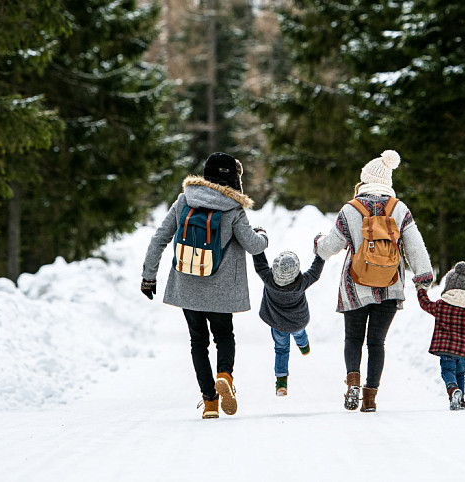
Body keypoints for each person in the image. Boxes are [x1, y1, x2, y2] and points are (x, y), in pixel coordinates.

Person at [140, 152, 268, 419]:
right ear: (233, 177)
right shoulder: (233, 208)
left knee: (198, 341)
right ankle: (225, 376)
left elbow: (159, 238)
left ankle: (209, 402)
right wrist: (263, 235)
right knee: (224, 337)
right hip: (222, 290)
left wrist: (149, 276)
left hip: (188, 284)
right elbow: (253, 245)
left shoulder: (185, 200)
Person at [314, 149, 434, 412]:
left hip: (355, 286)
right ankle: (370, 399)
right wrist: (423, 279)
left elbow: (330, 247)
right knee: (376, 343)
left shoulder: (350, 209)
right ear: (388, 182)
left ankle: (353, 383)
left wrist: (317, 246)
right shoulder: (399, 209)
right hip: (391, 285)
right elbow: (415, 247)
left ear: (365, 180)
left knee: (353, 339)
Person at [416, 261, 465, 410]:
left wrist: (421, 290)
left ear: (448, 285)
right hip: (464, 351)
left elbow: (425, 304)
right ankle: (460, 401)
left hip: (446, 349)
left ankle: (452, 390)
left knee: (447, 372)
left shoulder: (441, 305)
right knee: (460, 374)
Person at [251, 250, 325, 396]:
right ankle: (304, 346)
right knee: (300, 334)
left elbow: (260, 264)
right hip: (298, 322)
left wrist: (258, 242)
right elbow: (315, 272)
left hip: (278, 325)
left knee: (281, 349)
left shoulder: (268, 279)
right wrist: (321, 254)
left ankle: (281, 383)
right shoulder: (302, 282)